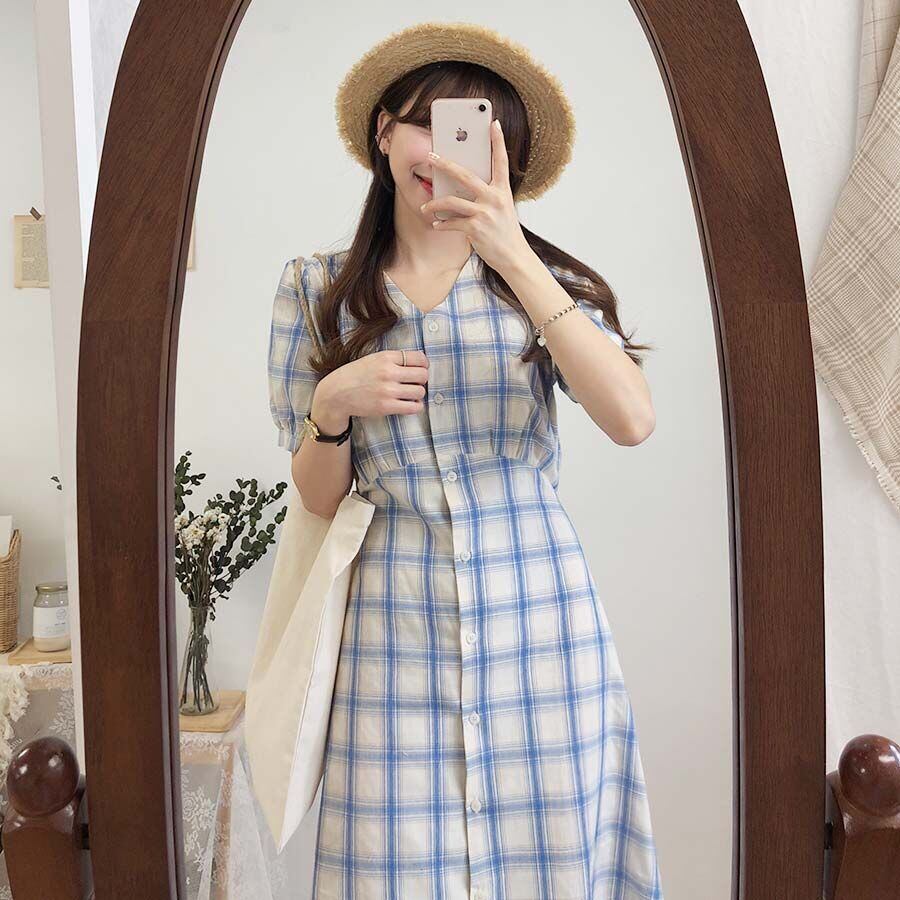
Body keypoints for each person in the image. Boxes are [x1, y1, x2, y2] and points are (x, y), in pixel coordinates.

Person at [267, 20, 662, 900]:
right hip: (392, 631)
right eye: (425, 125)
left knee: (552, 864)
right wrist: (331, 407)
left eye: (475, 137)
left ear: (504, 159)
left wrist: (513, 254)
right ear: (384, 132)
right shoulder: (315, 289)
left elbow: (632, 419)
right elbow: (319, 499)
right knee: (393, 869)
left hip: (541, 627)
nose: (442, 156)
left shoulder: (544, 287)